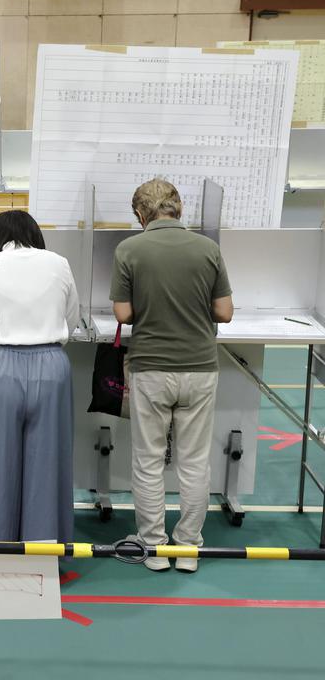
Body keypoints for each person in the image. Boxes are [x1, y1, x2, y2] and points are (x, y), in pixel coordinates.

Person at [110, 178, 233, 574]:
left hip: (151, 368)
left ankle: (153, 546)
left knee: (148, 460)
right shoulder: (208, 249)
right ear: (179, 209)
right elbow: (225, 312)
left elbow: (124, 315)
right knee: (194, 462)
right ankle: (188, 547)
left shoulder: (129, 249)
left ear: (140, 214)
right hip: (199, 367)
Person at [0, 210, 80, 543]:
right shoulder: (59, 263)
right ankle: (43, 556)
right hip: (51, 366)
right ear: (36, 235)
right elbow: (73, 318)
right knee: (48, 470)